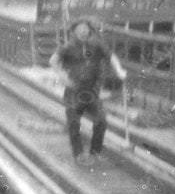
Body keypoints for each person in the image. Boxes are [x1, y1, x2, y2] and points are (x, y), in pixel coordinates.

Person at [50, 19, 126, 160]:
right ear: (74, 32)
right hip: (73, 92)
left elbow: (111, 57)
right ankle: (78, 153)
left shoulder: (96, 46)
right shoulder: (68, 47)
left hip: (92, 92)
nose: (83, 32)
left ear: (89, 31)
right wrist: (63, 77)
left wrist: (119, 70)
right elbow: (53, 60)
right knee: (74, 123)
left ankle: (95, 152)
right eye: (80, 29)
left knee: (101, 120)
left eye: (85, 29)